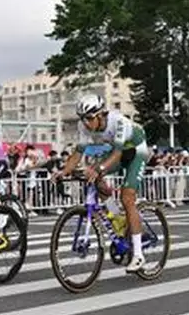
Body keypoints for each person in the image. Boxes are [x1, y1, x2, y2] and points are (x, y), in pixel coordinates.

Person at [54, 94, 151, 272]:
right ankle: (119, 219)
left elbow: (118, 153)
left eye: (90, 118)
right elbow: (78, 153)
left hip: (136, 151)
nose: (87, 124)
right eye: (83, 119)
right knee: (93, 176)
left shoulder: (118, 121)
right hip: (116, 151)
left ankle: (138, 255)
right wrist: (64, 171)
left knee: (127, 197)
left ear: (101, 114)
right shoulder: (83, 126)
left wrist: (99, 168)